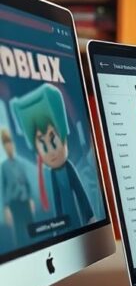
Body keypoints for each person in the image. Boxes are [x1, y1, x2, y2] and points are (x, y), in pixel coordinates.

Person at [10, 84, 96, 234]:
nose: (51, 152)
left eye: (53, 141)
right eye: (43, 146)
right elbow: (56, 201)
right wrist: (57, 224)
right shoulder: (52, 173)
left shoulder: (69, 167)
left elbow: (81, 194)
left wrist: (89, 216)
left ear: (64, 138)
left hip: (77, 216)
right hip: (66, 222)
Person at [1, 128, 36, 248]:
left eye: (10, 144)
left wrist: (30, 199)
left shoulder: (21, 164)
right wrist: (6, 208)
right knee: (20, 236)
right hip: (14, 204)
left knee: (32, 231)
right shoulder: (4, 167)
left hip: (25, 201)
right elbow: (4, 188)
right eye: (6, 145)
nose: (9, 147)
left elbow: (27, 183)